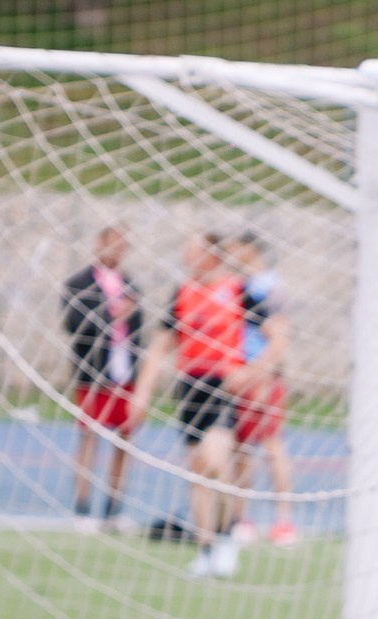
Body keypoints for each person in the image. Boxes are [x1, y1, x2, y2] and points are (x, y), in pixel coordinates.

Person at [129, 232, 244, 579]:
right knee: (198, 473)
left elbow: (275, 337)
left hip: (223, 385)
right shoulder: (183, 292)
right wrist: (142, 392)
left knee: (218, 463)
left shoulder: (239, 290)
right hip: (191, 386)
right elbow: (161, 346)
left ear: (212, 254)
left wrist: (256, 373)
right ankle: (206, 549)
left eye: (192, 249)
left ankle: (227, 538)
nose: (186, 255)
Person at [61, 225, 142, 531]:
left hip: (124, 374)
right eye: (113, 245)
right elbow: (73, 325)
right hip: (93, 375)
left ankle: (114, 510)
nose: (118, 252)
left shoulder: (131, 285)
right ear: (100, 245)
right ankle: (82, 509)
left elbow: (139, 333)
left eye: (123, 247)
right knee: (89, 439)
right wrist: (112, 314)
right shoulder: (78, 283)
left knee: (124, 441)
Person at [226, 229, 295, 548]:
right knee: (241, 447)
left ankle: (284, 520)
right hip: (237, 374)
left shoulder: (270, 285)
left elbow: (279, 337)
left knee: (271, 445)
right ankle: (242, 517)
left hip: (262, 376)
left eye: (235, 248)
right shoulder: (236, 286)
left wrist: (263, 376)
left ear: (250, 250)